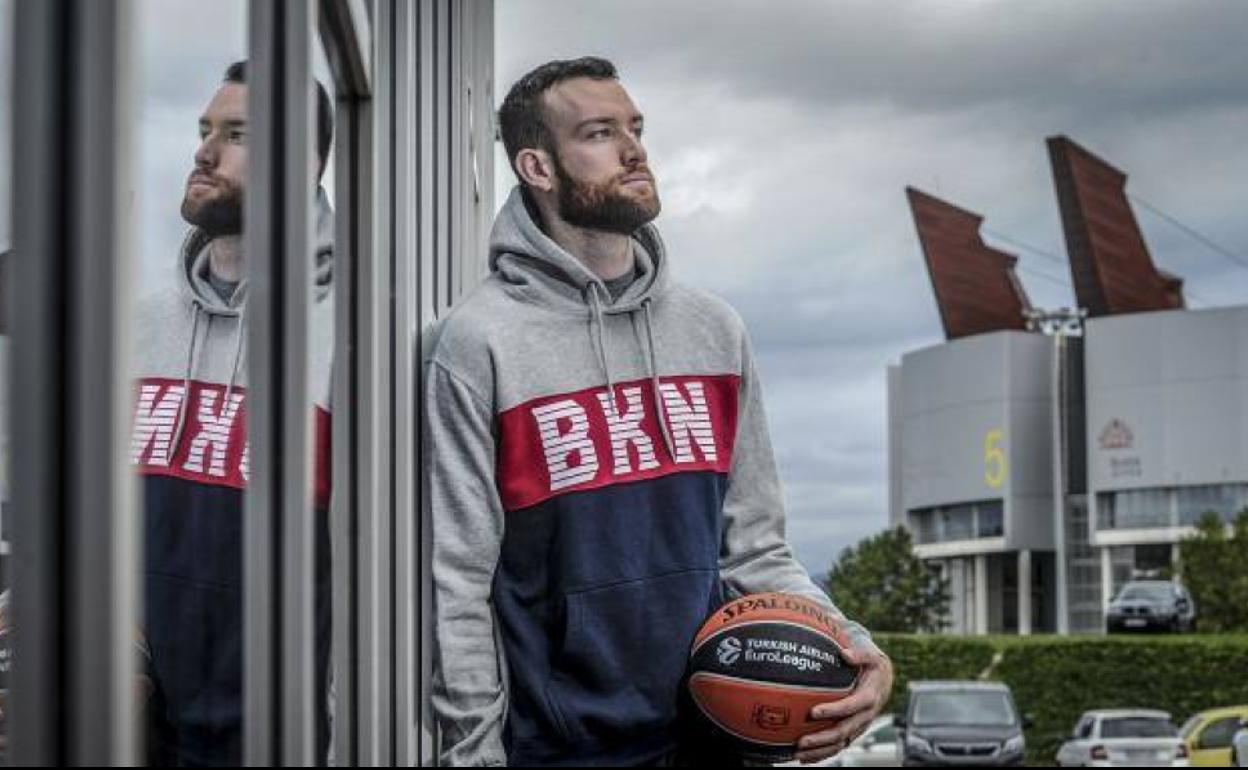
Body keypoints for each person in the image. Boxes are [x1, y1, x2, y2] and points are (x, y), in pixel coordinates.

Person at [424, 56, 892, 767]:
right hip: (557, 749)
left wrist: (851, 644)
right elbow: (456, 581)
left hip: (712, 737)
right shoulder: (478, 343)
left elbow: (756, 550)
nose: (635, 149)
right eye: (600, 132)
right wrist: (472, 753)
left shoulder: (714, 331)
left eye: (636, 128)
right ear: (538, 167)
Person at [130, 61, 335, 765]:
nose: (204, 152)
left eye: (237, 134)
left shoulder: (356, 338)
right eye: (204, 131)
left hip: (284, 732)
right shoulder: (138, 328)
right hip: (132, 720)